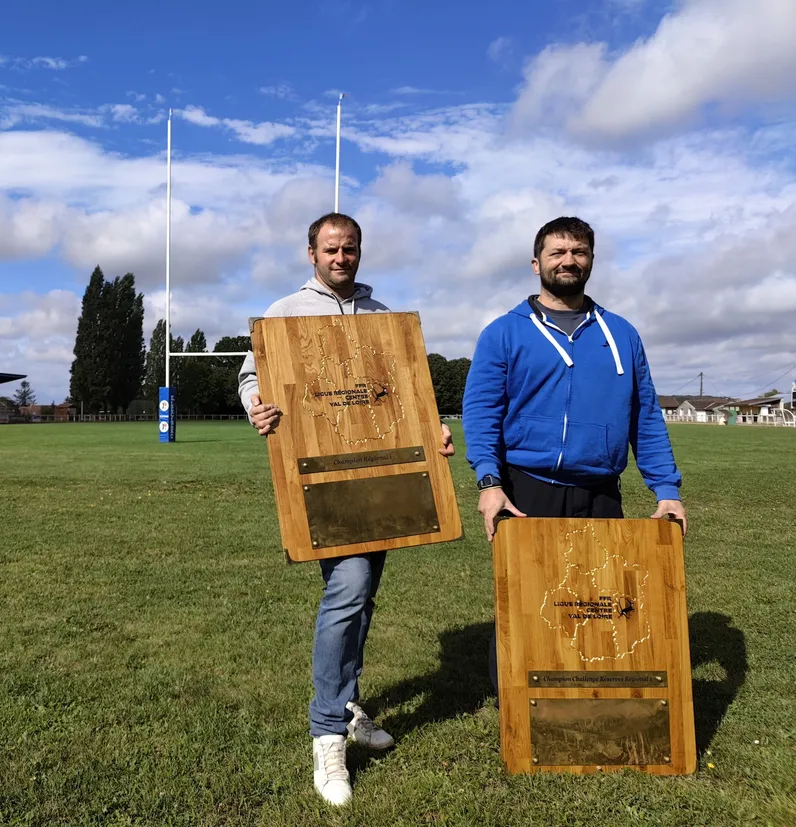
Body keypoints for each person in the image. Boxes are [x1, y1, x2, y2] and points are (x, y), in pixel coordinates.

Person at [238, 212, 454, 807]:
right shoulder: (283, 312)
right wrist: (256, 403)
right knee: (349, 590)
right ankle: (327, 732)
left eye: (350, 249)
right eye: (331, 249)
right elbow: (250, 377)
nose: (341, 257)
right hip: (320, 479)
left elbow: (409, 389)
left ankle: (349, 704)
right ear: (311, 253)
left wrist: (433, 430)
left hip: (383, 477)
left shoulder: (384, 316)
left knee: (363, 593)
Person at [463, 215, 688, 543]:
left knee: (602, 593)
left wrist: (667, 490)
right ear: (536, 264)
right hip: (525, 489)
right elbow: (482, 413)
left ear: (591, 261)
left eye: (579, 252)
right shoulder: (502, 332)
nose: (569, 261)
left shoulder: (622, 334)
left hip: (601, 494)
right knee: (529, 594)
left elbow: (646, 418)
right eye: (557, 253)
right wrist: (489, 482)